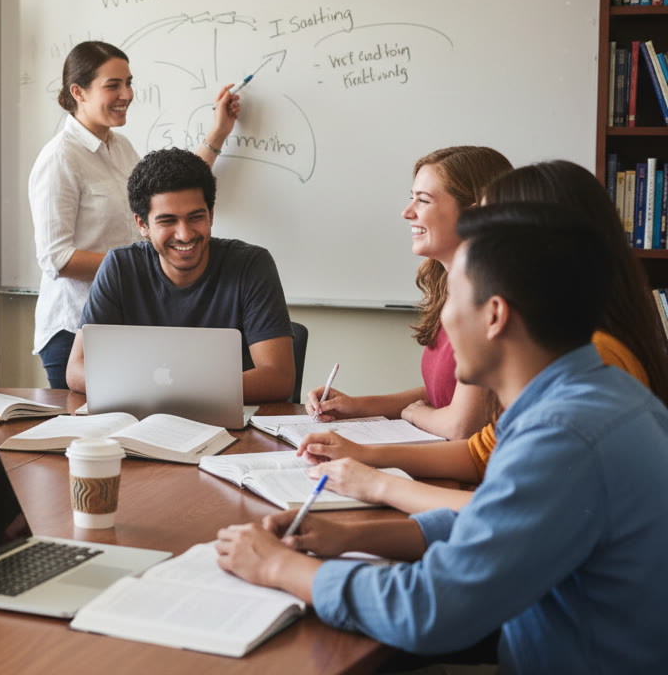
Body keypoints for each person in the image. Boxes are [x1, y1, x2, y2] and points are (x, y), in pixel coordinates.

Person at [215, 203, 668, 674]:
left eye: (453, 298)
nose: (444, 321)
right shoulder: (582, 393)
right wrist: (345, 536)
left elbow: (427, 611)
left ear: (494, 315)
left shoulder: (563, 436)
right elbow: (499, 524)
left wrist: (281, 568)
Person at [296, 161, 668, 513]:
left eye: (488, 227)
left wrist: (378, 482)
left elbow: (508, 512)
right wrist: (368, 455)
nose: (474, 239)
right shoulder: (562, 345)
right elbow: (483, 452)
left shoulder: (590, 364)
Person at [29, 41, 241, 389]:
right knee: (88, 437)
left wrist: (218, 133)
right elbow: (57, 258)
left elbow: (169, 193)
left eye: (129, 82)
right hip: (74, 331)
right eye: (113, 85)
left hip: (125, 324)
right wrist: (141, 267)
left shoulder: (121, 147)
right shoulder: (60, 159)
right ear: (78, 91)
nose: (126, 93)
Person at [306, 146, 512, 440]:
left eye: (423, 200)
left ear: (474, 215)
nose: (407, 212)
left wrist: (415, 414)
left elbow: (461, 426)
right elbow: (445, 394)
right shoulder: (451, 287)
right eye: (411, 197)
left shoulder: (489, 300)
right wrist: (355, 406)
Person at [64, 147, 295, 403]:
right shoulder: (119, 267)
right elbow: (76, 370)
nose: (184, 234)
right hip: (139, 425)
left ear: (211, 215)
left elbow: (278, 378)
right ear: (143, 225)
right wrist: (166, 390)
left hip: (230, 431)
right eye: (167, 221)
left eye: (196, 217)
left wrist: (168, 390)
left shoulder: (251, 265)